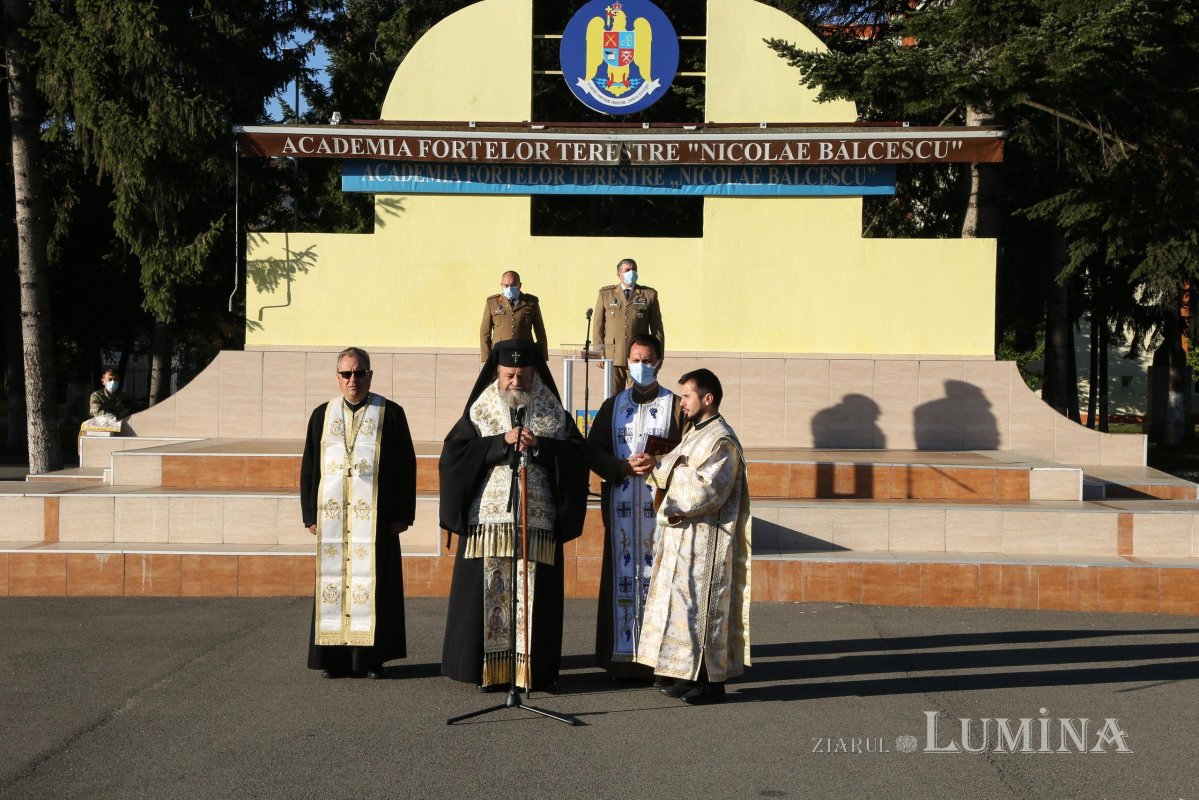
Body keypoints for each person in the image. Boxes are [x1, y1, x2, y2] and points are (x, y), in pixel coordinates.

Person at [439, 338, 590, 691]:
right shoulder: (481, 408)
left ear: (534, 374)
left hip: (537, 524)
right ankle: (488, 671)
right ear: (498, 373)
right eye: (509, 375)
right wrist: (499, 442)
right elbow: (454, 455)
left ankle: (532, 673)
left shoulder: (552, 410)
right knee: (488, 597)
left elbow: (576, 456)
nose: (515, 382)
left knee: (537, 600)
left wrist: (541, 446)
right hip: (488, 524)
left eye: (522, 376)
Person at [630, 368, 751, 705]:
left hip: (707, 542)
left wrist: (665, 471)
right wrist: (655, 463)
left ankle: (711, 683)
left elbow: (707, 490)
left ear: (707, 398)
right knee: (683, 610)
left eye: (687, 396)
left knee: (705, 612)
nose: (681, 402)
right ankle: (685, 675)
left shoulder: (721, 440)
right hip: (684, 539)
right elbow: (673, 464)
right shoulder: (696, 434)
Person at [300, 347, 416, 679]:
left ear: (370, 375)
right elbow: (310, 466)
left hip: (377, 520)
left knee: (375, 586)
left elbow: (406, 466)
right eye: (347, 373)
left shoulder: (390, 413)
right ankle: (334, 660)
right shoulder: (322, 415)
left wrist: (403, 514)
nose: (354, 379)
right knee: (334, 583)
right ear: (338, 376)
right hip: (334, 520)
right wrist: (310, 514)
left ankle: (371, 660)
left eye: (360, 373)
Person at [585, 334, 687, 681]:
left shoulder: (676, 405)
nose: (640, 366)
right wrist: (621, 467)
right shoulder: (613, 406)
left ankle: (662, 663)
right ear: (627, 362)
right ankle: (622, 661)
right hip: (622, 511)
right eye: (635, 360)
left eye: (647, 360)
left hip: (659, 512)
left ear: (659, 363)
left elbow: (689, 452)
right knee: (623, 580)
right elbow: (592, 450)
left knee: (662, 582)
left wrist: (658, 462)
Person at [591, 258, 664, 395]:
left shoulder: (649, 295)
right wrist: (597, 353)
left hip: (639, 358)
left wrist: (659, 356)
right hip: (613, 356)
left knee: (638, 395)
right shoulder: (606, 294)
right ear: (619, 274)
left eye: (634, 269)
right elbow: (598, 326)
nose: (632, 272)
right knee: (612, 397)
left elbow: (657, 330)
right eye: (627, 270)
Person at [480, 270, 549, 362]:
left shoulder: (531, 302)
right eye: (506, 285)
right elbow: (485, 332)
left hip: (524, 352)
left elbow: (540, 330)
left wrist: (543, 356)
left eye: (513, 285)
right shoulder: (492, 303)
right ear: (501, 285)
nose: (509, 288)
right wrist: (486, 357)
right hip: (500, 353)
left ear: (519, 285)